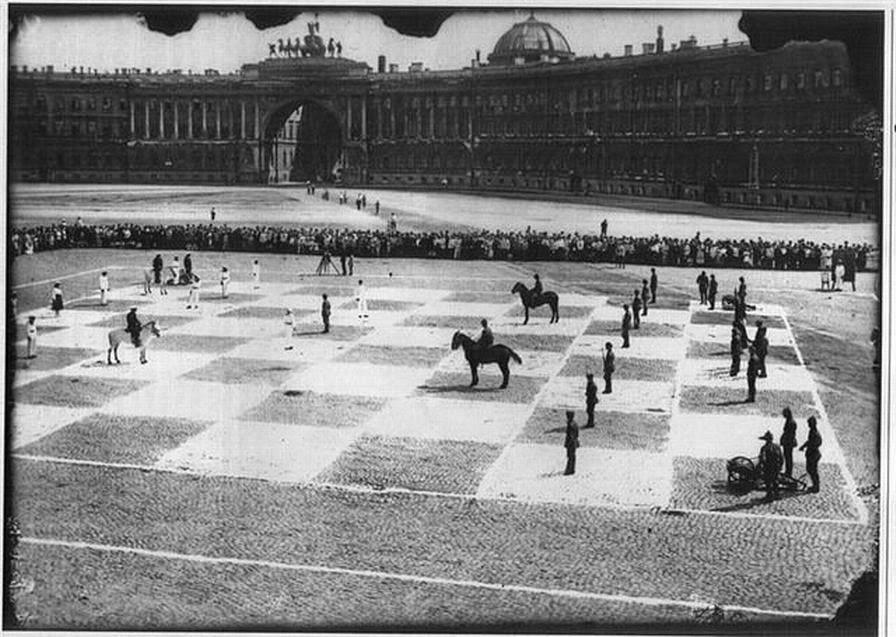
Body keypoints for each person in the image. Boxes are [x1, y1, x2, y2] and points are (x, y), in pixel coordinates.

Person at [758, 430, 784, 500]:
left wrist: (761, 467)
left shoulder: (764, 448)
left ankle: (769, 495)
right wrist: (781, 465)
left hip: (768, 467)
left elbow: (762, 458)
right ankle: (777, 494)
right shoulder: (777, 446)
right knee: (776, 480)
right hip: (776, 466)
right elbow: (781, 457)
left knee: (768, 481)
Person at [800, 416, 822, 493]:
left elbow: (816, 442)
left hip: (813, 454)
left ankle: (816, 487)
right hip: (812, 453)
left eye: (809, 423)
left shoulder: (815, 433)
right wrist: (803, 446)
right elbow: (809, 441)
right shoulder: (812, 431)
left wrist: (809, 447)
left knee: (813, 470)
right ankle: (814, 485)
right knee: (810, 470)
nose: (808, 425)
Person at [780, 407, 798, 477]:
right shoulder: (789, 421)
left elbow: (789, 434)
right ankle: (788, 471)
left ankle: (789, 472)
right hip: (787, 442)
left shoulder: (791, 422)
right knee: (787, 457)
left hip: (788, 443)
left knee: (788, 457)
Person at [564, 410, 580, 476]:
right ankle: (572, 469)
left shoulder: (570, 424)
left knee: (570, 456)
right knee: (573, 456)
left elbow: (570, 436)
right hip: (574, 442)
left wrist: (567, 443)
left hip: (571, 443)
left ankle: (569, 470)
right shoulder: (575, 423)